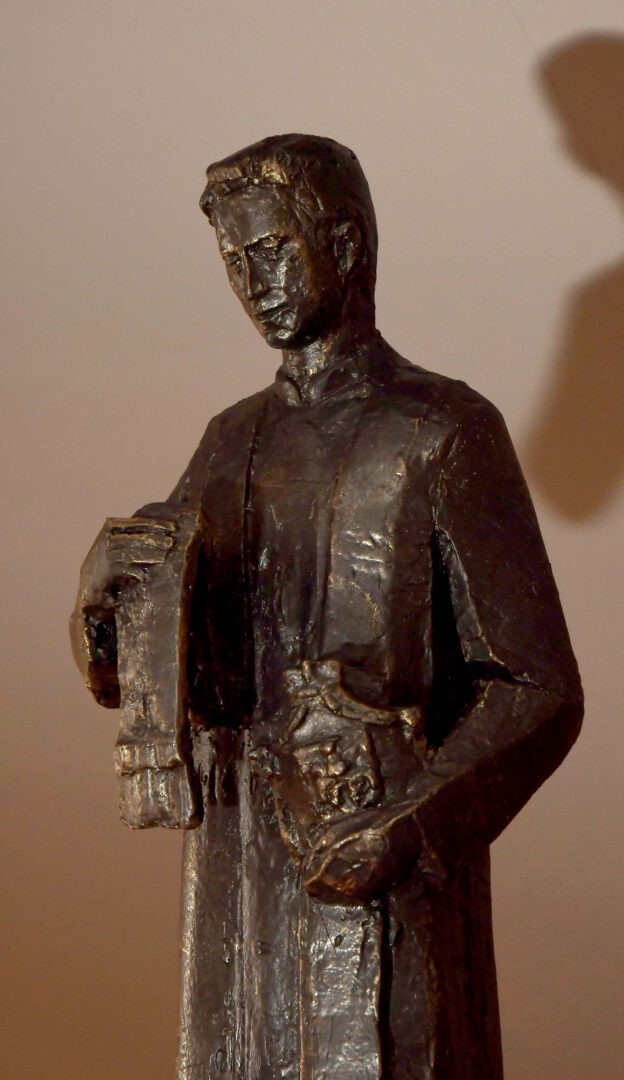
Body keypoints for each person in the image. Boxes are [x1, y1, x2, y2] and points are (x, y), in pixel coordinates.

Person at [72, 134, 583, 1080]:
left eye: (271, 251)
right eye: (234, 260)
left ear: (343, 247)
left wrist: (410, 827)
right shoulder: (229, 441)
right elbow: (149, 673)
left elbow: (538, 688)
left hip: (378, 853)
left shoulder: (440, 431)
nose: (251, 283)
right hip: (240, 866)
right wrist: (101, 597)